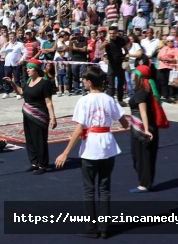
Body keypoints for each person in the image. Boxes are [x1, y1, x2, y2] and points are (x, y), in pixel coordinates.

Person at [55, 66, 129, 238]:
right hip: (107, 146)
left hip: (91, 148)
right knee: (104, 188)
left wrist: (65, 152)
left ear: (89, 82)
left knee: (89, 189)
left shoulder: (84, 101)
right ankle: (104, 228)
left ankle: (91, 228)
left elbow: (80, 127)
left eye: (84, 79)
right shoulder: (109, 99)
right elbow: (125, 123)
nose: (83, 82)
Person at [5, 59, 57, 175]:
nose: (27, 70)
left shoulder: (44, 83)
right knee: (30, 140)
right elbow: (21, 92)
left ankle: (43, 165)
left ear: (37, 70)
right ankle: (34, 163)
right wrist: (12, 83)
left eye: (30, 68)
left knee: (39, 140)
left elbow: (48, 102)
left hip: (39, 116)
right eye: (27, 68)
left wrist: (53, 117)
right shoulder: (28, 81)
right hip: (28, 115)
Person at [128, 65, 166, 193]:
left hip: (143, 129)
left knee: (143, 156)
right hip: (138, 127)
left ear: (139, 76)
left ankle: (144, 184)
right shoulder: (142, 89)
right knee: (137, 155)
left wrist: (146, 130)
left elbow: (143, 112)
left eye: (134, 73)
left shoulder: (143, 91)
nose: (132, 75)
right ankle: (145, 182)